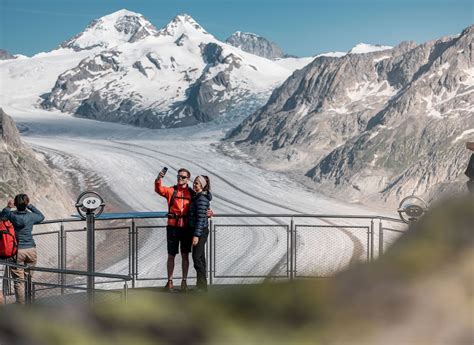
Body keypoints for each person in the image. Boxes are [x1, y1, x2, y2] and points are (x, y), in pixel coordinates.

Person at [155, 168, 194, 291]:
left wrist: (209, 212)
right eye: (179, 176)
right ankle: (170, 281)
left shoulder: (192, 193)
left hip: (186, 228)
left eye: (183, 177)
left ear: (188, 179)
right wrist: (158, 178)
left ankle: (184, 282)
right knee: (171, 255)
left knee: (185, 255)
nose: (180, 178)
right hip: (173, 227)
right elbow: (159, 189)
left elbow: (200, 206)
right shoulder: (171, 190)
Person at [1, 194, 44, 304]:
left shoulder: (11, 215)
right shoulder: (31, 216)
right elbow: (41, 216)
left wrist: (8, 207)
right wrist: (30, 206)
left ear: (15, 204)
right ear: (26, 203)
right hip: (31, 250)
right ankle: (29, 301)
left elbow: (2, 216)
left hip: (17, 251)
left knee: (18, 281)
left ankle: (21, 306)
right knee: (28, 278)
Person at [189, 175, 212, 292]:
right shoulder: (198, 197)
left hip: (200, 231)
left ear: (202, 185)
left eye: (197, 183)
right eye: (194, 182)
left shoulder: (201, 199)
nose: (194, 185)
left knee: (196, 258)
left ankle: (202, 287)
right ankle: (201, 286)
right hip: (201, 230)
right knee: (201, 257)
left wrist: (196, 235)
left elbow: (200, 218)